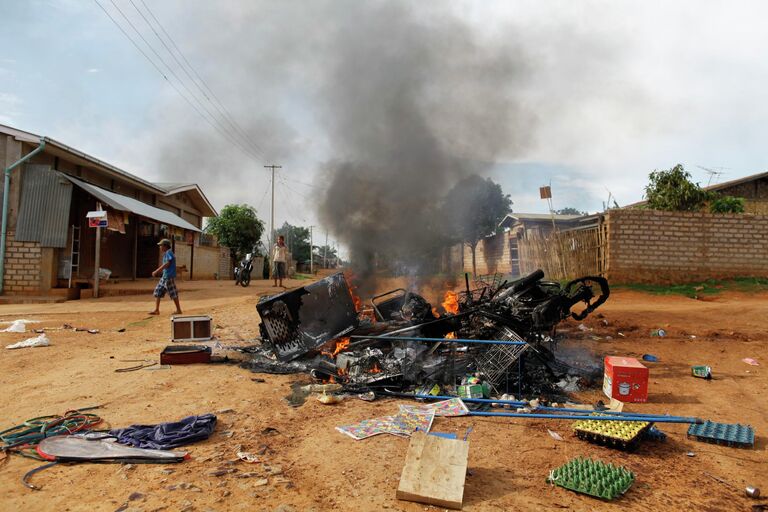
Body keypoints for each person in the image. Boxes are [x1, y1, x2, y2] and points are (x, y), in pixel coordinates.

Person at [149, 239, 182, 315]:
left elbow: (167, 263)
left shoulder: (169, 253)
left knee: (173, 293)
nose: (160, 247)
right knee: (158, 291)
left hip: (168, 277)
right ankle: (157, 310)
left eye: (161, 245)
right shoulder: (167, 253)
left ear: (165, 246)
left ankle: (179, 310)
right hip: (165, 276)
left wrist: (157, 271)